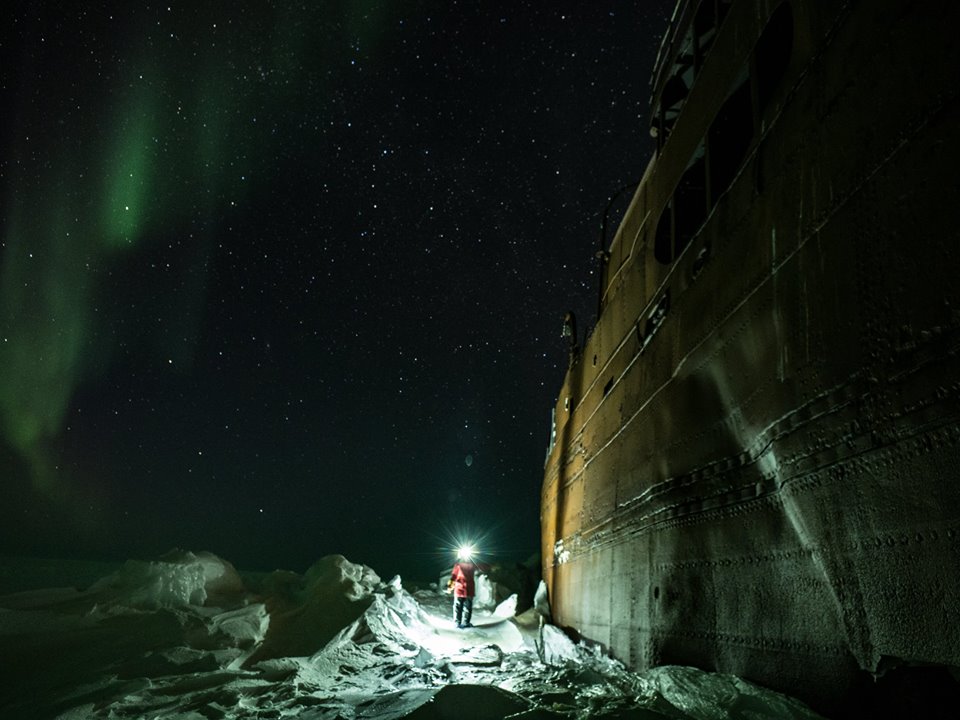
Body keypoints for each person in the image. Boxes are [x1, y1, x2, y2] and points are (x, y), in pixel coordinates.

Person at [448, 547, 483, 628]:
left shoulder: (458, 565)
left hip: (460, 589)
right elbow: (482, 567)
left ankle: (458, 623)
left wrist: (450, 587)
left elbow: (453, 576)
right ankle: (465, 623)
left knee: (458, 607)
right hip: (468, 589)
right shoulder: (472, 565)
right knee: (466, 607)